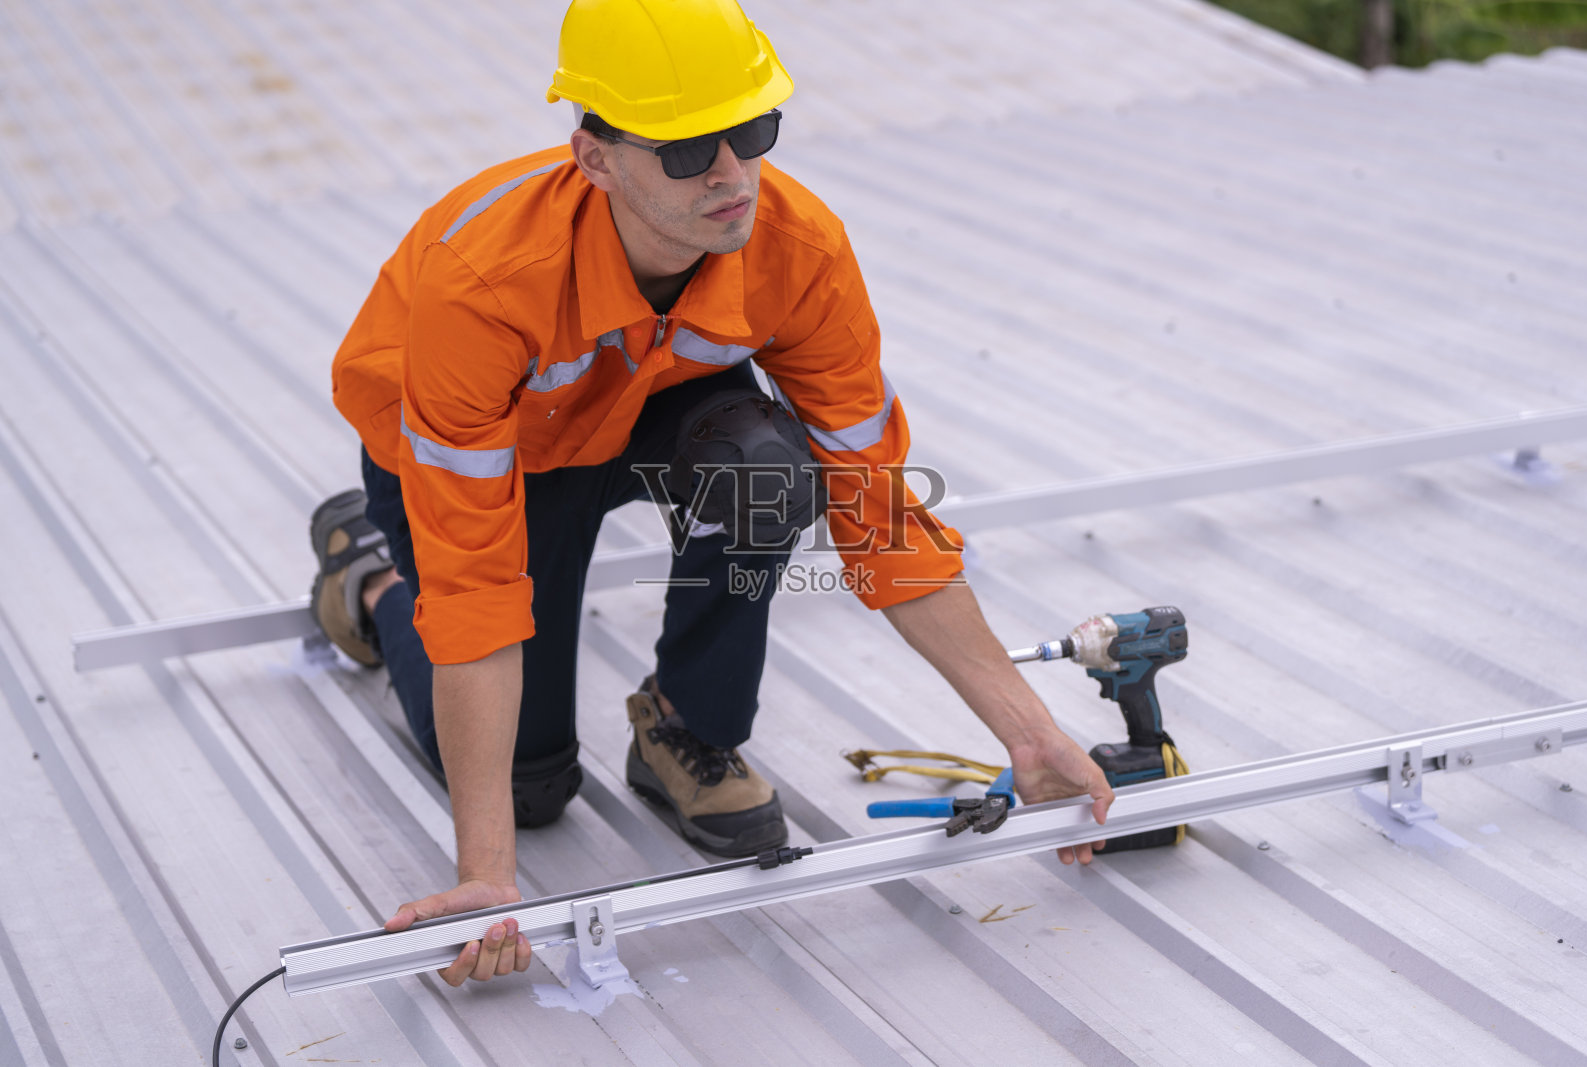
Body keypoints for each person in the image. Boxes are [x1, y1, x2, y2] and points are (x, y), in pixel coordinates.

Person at [311, 0, 1114, 988]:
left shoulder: (798, 250)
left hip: (641, 399)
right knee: (527, 787)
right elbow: (478, 589)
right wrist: (488, 873)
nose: (732, 174)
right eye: (688, 149)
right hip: (488, 461)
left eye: (752, 130)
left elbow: (881, 515)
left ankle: (686, 725)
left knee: (772, 474)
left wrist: (1030, 736)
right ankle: (373, 577)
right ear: (594, 158)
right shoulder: (480, 282)